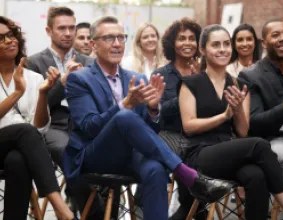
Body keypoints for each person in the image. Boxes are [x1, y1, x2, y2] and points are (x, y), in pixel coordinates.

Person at [62, 16, 231, 220]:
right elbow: (89, 127)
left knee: (156, 169)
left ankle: (183, 175)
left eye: (121, 37)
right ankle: (187, 174)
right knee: (124, 116)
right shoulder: (79, 79)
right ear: (93, 44)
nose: (117, 44)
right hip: (96, 155)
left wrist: (153, 109)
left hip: (132, 154)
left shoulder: (138, 78)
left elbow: (149, 131)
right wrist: (126, 104)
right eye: (109, 38)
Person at [178, 24, 283, 220]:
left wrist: (237, 111)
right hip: (200, 154)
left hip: (230, 150)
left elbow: (243, 131)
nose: (223, 49)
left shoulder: (240, 85)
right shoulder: (191, 83)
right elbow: (189, 126)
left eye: (226, 44)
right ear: (203, 49)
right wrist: (223, 116)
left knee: (256, 176)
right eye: (216, 45)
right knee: (260, 144)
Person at [0, 15, 74, 220]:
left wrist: (43, 94)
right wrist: (17, 93)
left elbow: (40, 128)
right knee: (24, 130)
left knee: (18, 161)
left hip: (20, 149)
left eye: (11, 35)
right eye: (1, 38)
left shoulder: (33, 77)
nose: (9, 40)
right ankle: (59, 206)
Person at [152, 17, 206, 220]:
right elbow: (161, 112)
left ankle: (192, 210)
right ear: (172, 44)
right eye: (181, 38)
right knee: (189, 155)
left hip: (200, 131)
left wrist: (200, 81)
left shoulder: (206, 71)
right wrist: (189, 87)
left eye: (192, 38)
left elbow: (212, 107)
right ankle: (196, 211)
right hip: (171, 134)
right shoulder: (161, 74)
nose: (188, 43)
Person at [26, 6, 94, 166]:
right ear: (49, 31)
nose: (68, 33)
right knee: (69, 151)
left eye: (72, 28)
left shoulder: (89, 62)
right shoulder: (34, 62)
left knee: (107, 149)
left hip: (86, 125)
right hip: (53, 126)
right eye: (62, 28)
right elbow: (34, 108)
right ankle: (82, 191)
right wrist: (63, 84)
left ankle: (95, 191)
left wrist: (87, 84)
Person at [239, 18, 283, 188]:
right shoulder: (250, 76)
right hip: (273, 140)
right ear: (264, 43)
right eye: (275, 35)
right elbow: (254, 122)